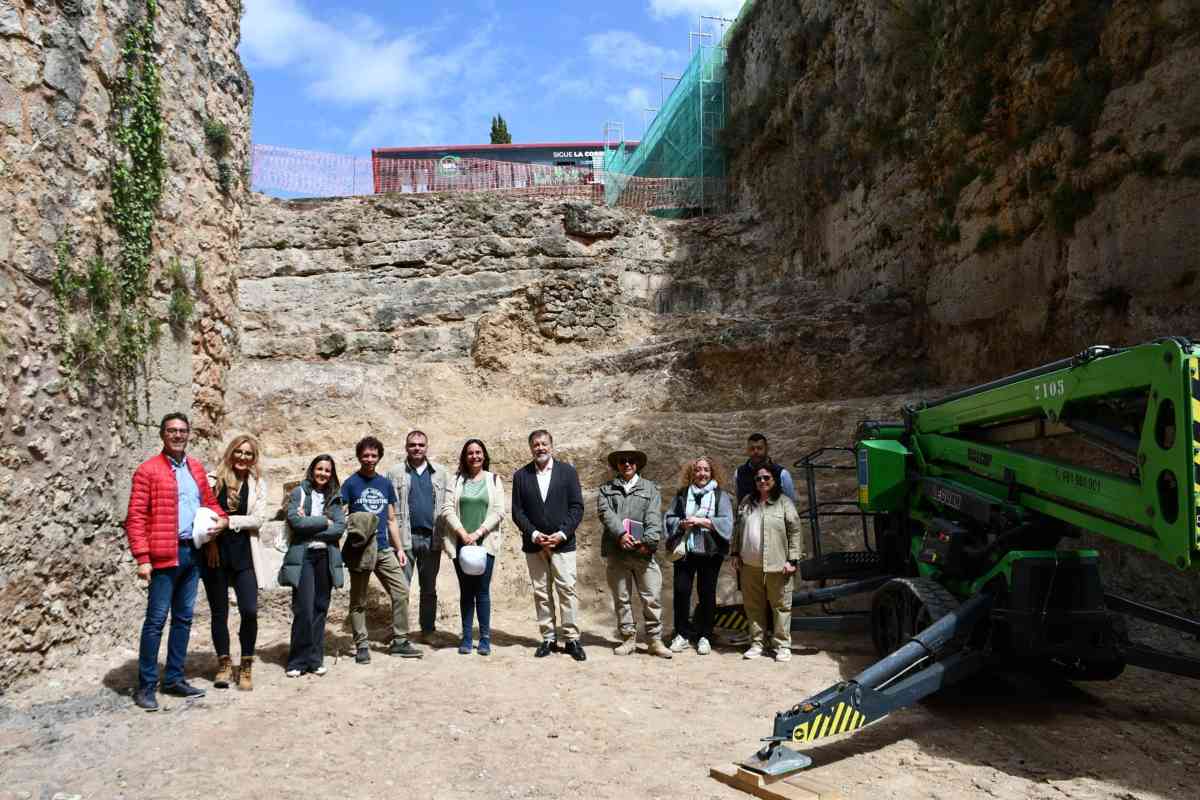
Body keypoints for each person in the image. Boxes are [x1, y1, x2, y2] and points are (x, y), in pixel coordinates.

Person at [125, 412, 227, 711]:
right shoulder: (147, 471)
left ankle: (174, 678)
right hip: (163, 555)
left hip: (192, 553)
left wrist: (221, 521)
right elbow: (136, 517)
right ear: (162, 434)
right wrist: (142, 558)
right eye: (172, 430)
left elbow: (209, 502)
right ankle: (146, 686)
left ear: (188, 434)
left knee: (183, 619)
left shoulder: (195, 468)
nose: (178, 435)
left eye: (182, 430)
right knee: (156, 622)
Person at [199, 434, 269, 691]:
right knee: (219, 613)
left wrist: (230, 522)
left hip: (244, 554)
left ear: (254, 458)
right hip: (215, 554)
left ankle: (247, 663)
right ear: (231, 453)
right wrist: (212, 543)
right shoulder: (212, 479)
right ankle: (224, 663)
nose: (243, 457)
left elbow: (259, 518)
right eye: (239, 452)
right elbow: (203, 515)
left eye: (248, 454)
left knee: (249, 610)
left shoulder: (258, 483)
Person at [342, 436, 420, 663]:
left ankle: (400, 640)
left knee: (401, 591)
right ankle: (362, 645)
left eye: (373, 455)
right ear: (359, 457)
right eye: (365, 455)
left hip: (384, 547)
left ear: (379, 457)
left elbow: (392, 519)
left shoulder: (384, 484)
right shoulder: (351, 483)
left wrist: (400, 549)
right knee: (358, 600)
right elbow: (341, 512)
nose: (369, 459)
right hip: (360, 549)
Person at [511, 429, 586, 661]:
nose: (540, 448)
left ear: (551, 446)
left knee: (567, 590)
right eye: (536, 444)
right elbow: (517, 511)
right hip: (534, 545)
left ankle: (571, 639)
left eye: (544, 444)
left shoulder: (568, 472)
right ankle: (548, 638)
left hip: (563, 544)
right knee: (541, 592)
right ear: (530, 448)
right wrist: (534, 534)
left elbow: (577, 507)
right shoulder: (521, 475)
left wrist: (561, 534)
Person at [597, 442, 671, 658]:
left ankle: (654, 640)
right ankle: (628, 638)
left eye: (631, 460)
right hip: (617, 552)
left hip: (643, 552)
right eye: (622, 460)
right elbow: (606, 514)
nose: (627, 463)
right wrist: (621, 535)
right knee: (622, 598)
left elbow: (654, 517)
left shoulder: (651, 489)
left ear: (637, 463)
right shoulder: (606, 489)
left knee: (651, 598)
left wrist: (646, 543)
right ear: (617, 465)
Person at [281, 454, 347, 677]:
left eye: (327, 470)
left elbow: (339, 528)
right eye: (319, 469)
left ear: (332, 474)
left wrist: (311, 524)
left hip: (325, 557)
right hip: (304, 558)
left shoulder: (334, 497)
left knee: (320, 608)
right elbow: (296, 522)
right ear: (312, 470)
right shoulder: (299, 492)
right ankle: (297, 661)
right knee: (304, 610)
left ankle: (315, 659)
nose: (323, 474)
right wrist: (323, 521)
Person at [663, 456, 734, 656]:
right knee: (681, 591)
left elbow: (727, 523)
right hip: (686, 550)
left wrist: (702, 521)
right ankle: (682, 634)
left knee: (707, 593)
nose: (702, 474)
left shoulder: (721, 496)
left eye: (706, 470)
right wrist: (681, 524)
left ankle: (705, 635)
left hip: (710, 552)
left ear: (713, 473)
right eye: (698, 470)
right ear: (691, 473)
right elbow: (670, 518)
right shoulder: (682, 494)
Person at [731, 465, 803, 662]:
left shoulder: (784, 502)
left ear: (774, 480)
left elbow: (795, 530)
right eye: (758, 479)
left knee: (780, 605)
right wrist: (735, 552)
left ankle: (782, 645)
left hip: (778, 564)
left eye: (766, 478)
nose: (762, 481)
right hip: (749, 564)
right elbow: (737, 528)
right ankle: (756, 643)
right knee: (753, 606)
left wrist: (793, 559)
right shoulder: (747, 501)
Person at [441, 438, 505, 656]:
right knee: (466, 591)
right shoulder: (456, 480)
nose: (475, 456)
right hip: (461, 544)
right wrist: (463, 533)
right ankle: (467, 637)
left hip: (485, 543)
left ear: (484, 456)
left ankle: (485, 638)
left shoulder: (494, 480)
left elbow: (498, 511)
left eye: (478, 452)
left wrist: (478, 533)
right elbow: (447, 509)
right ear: (464, 457)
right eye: (470, 453)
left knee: (482, 591)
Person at [385, 430, 449, 641]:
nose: (417, 448)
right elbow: (389, 508)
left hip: (432, 539)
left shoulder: (440, 472)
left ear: (426, 447)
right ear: (406, 447)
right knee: (401, 589)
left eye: (421, 445)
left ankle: (428, 631)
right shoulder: (395, 473)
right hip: (404, 539)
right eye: (413, 445)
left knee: (428, 589)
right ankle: (400, 635)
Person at [734, 433, 797, 506]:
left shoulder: (782, 474)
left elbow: (790, 504)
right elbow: (739, 501)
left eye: (759, 448)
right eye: (752, 449)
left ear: (767, 449)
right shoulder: (739, 473)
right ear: (747, 450)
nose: (756, 451)